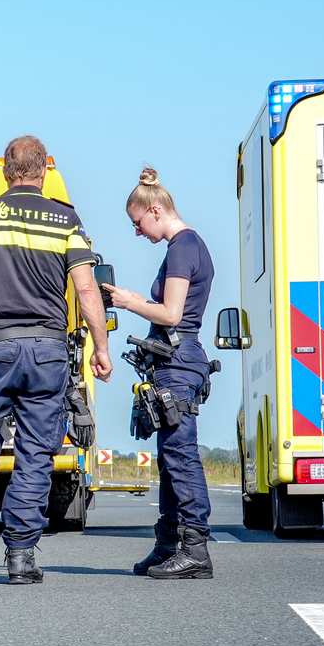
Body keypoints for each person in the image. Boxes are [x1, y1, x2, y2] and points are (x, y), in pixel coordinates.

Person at [0, 135, 112, 585]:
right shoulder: (65, 219)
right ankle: (20, 559)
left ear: (4, 171)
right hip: (48, 354)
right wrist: (101, 347)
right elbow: (87, 289)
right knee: (35, 455)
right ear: (43, 172)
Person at [101, 167, 216, 579]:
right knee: (170, 458)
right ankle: (168, 544)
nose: (137, 232)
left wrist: (130, 301)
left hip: (179, 361)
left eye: (137, 223)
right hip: (173, 362)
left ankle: (196, 550)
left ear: (155, 209)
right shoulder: (183, 247)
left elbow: (171, 313)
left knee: (181, 457)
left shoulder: (183, 248)